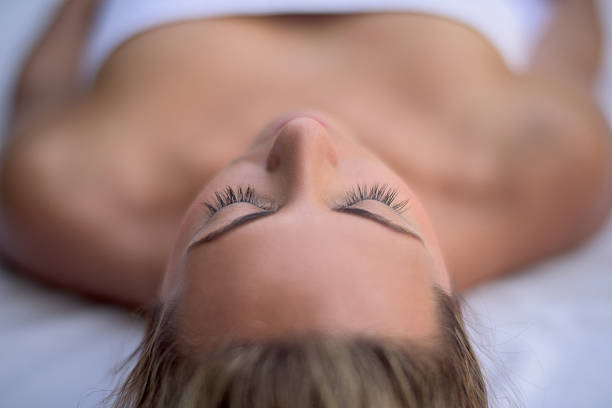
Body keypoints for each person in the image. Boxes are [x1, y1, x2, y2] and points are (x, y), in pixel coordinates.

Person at [0, 0, 610, 406]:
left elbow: (57, 57)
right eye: (371, 205)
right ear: (447, 285)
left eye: (235, 207)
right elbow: (569, 23)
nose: (303, 131)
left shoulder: (64, 189)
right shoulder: (546, 163)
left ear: (160, 300)